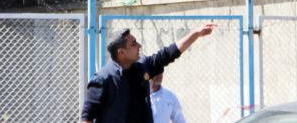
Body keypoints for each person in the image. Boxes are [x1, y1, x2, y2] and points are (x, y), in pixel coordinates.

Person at [81, 24, 216, 123]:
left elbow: (168, 54)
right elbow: (86, 117)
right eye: (134, 44)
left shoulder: (141, 67)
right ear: (121, 52)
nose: (139, 45)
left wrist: (196, 34)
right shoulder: (103, 80)